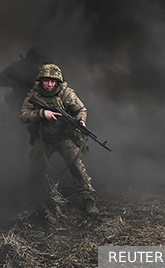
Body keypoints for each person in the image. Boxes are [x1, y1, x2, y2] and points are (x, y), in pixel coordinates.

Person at [19, 63, 98, 215]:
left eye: (53, 81)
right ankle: (33, 200)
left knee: (77, 167)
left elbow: (81, 110)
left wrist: (81, 121)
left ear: (58, 82)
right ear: (40, 81)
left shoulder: (66, 93)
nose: (50, 84)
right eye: (46, 81)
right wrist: (42, 113)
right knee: (35, 169)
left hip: (64, 137)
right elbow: (23, 115)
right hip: (43, 139)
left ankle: (89, 200)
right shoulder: (33, 95)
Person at [0, 46, 48, 124]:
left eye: (40, 64)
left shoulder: (47, 69)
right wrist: (16, 82)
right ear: (29, 62)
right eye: (35, 63)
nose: (38, 66)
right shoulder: (17, 67)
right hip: (19, 101)